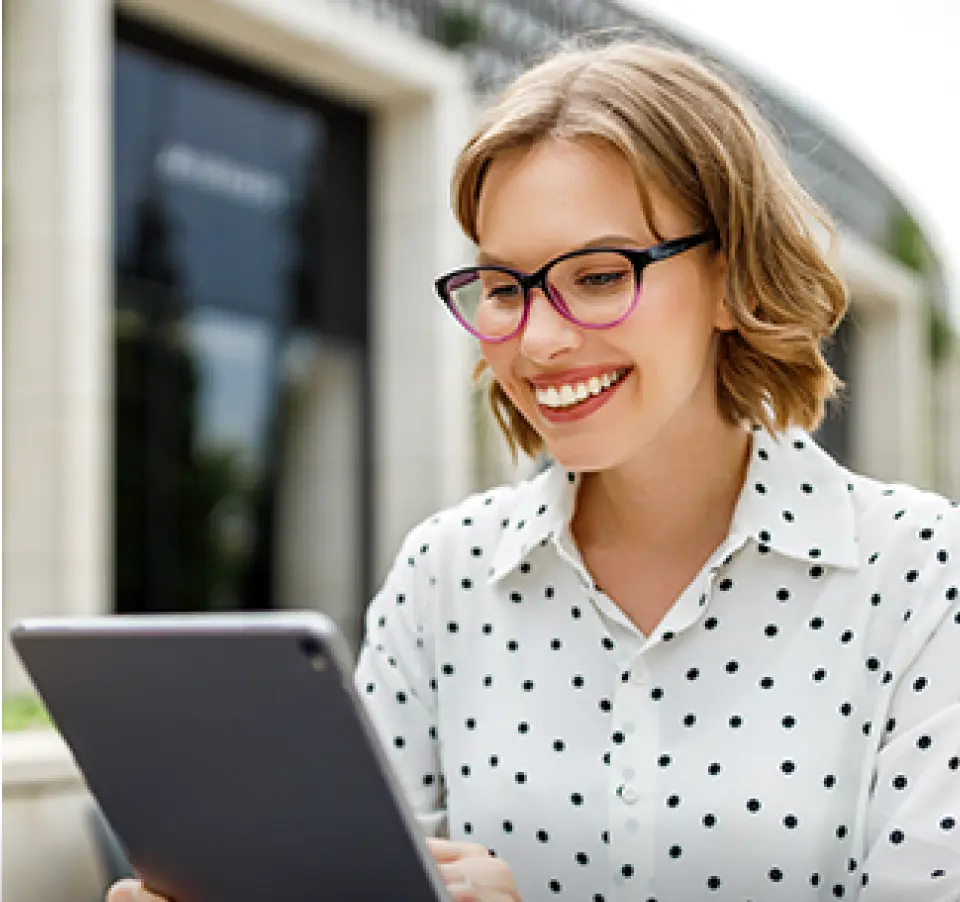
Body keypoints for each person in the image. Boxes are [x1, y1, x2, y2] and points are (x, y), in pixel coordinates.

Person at [109, 37, 958, 902]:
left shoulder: (920, 572)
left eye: (597, 275)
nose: (540, 340)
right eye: (505, 288)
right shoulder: (443, 575)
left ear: (731, 278)